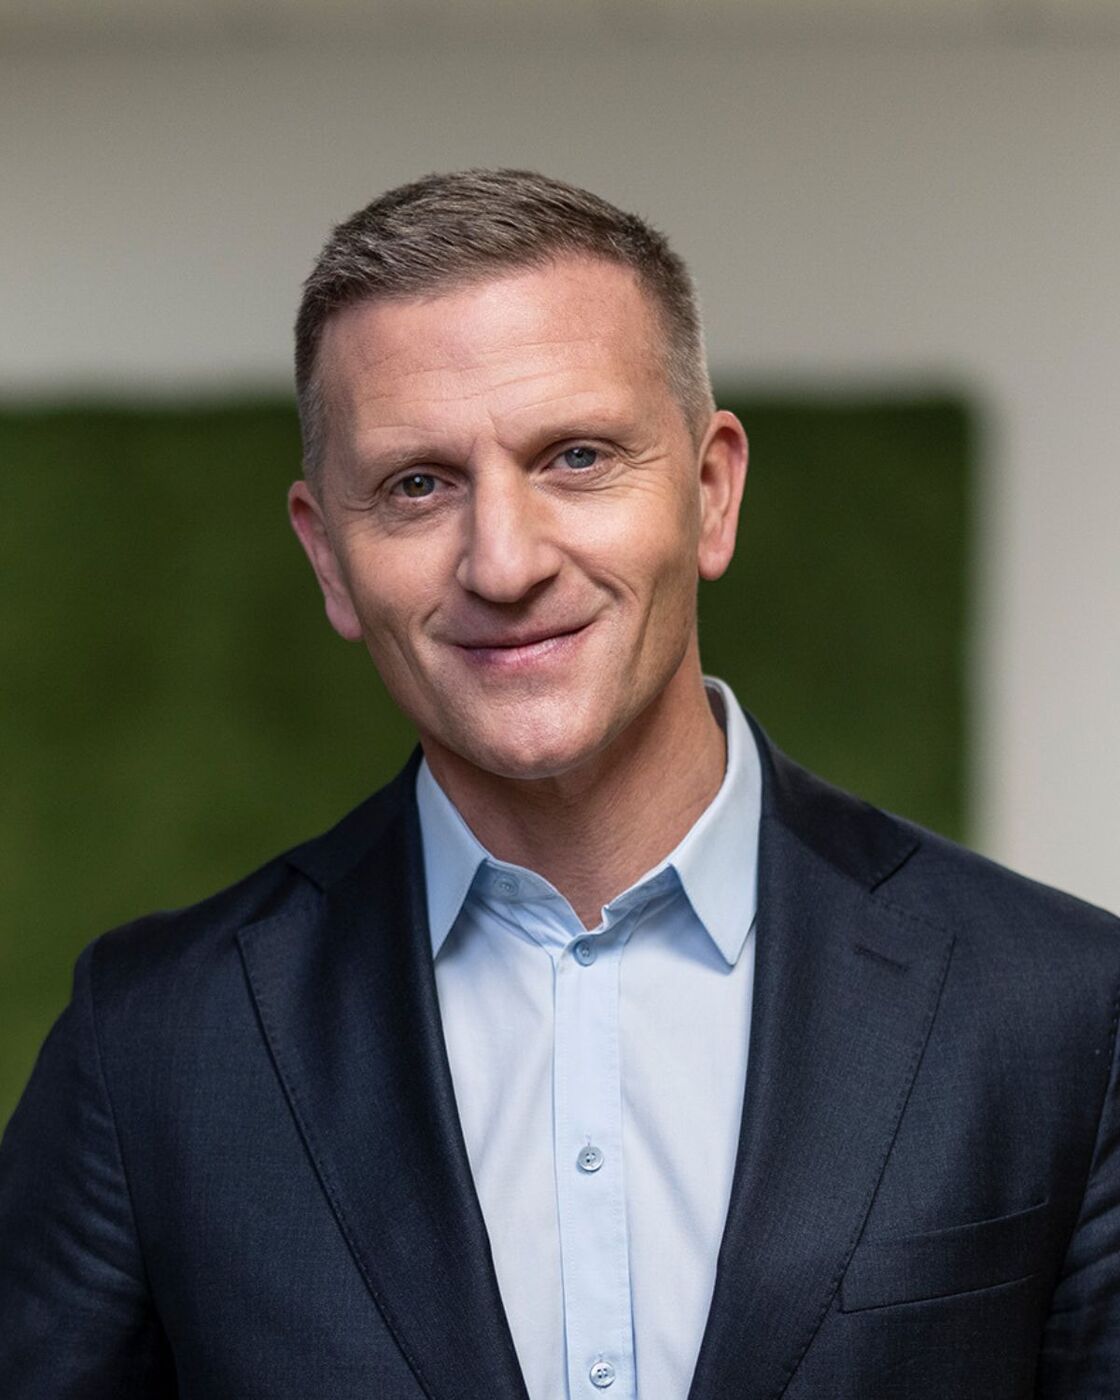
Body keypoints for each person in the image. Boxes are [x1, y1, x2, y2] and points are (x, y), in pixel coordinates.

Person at [0, 169, 1117, 1400]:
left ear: (710, 491)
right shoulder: (152, 1045)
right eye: (418, 483)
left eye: (575, 457)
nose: (504, 561)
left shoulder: (1060, 1008)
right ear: (327, 555)